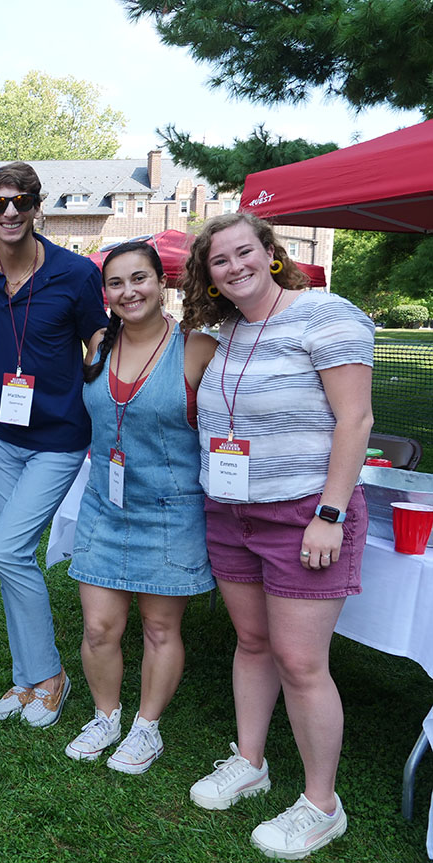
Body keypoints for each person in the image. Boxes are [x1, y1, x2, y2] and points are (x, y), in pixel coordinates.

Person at [182, 213, 373, 860]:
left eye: (245, 252)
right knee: (253, 641)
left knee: (301, 660)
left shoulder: (325, 314)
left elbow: (356, 418)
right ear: (208, 273)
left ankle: (322, 804)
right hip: (231, 511)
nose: (234, 266)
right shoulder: (225, 331)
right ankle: (251, 760)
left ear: (270, 253)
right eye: (219, 260)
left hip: (303, 514)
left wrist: (332, 512)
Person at [64, 241, 217, 773]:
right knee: (99, 628)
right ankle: (107, 715)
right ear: (104, 292)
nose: (128, 291)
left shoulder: (196, 348)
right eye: (116, 283)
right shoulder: (100, 343)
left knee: (159, 628)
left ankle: (146, 728)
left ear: (161, 282)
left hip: (171, 511)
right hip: (105, 504)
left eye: (139, 278)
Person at [0, 162, 107, 727]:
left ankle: (49, 674)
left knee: (4, 551)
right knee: (14, 558)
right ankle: (28, 680)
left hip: (59, 437)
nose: (9, 212)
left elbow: (98, 340)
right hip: (0, 434)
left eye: (19, 201)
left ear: (36, 205)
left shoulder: (74, 273)